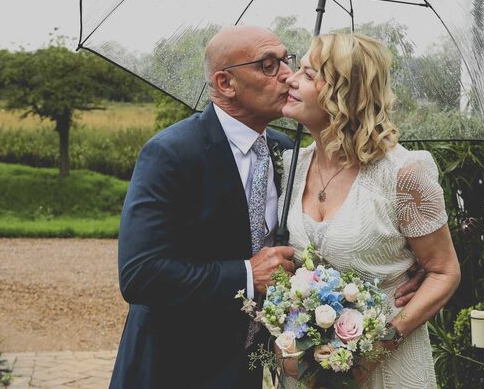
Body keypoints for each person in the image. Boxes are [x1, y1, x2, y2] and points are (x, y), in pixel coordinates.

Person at [110, 27, 424, 388]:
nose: (287, 75)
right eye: (268, 65)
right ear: (226, 83)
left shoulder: (287, 155)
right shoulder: (171, 154)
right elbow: (140, 275)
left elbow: (324, 233)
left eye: (286, 61)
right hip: (173, 367)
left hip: (249, 369)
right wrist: (246, 274)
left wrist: (402, 264)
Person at [279, 33, 461, 388]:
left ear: (343, 93)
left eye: (307, 73)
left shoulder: (403, 173)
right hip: (309, 372)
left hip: (388, 366)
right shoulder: (290, 168)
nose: (290, 78)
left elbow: (444, 271)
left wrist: (376, 349)